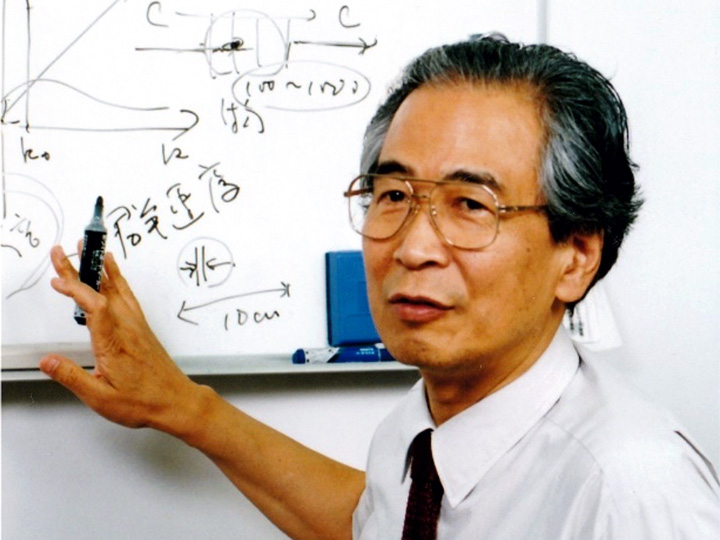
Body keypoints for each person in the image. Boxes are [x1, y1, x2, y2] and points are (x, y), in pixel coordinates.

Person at [40, 34, 718, 539]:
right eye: (393, 195)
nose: (413, 248)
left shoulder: (629, 491)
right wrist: (181, 406)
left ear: (576, 257)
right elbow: (374, 524)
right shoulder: (414, 433)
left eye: (471, 205)